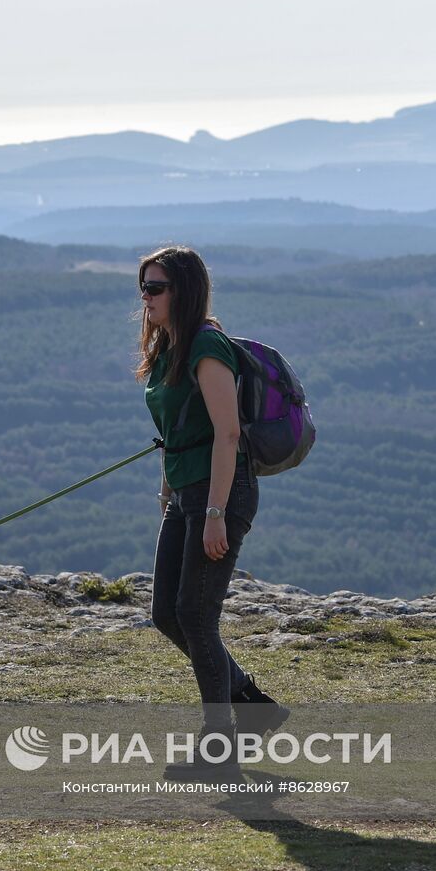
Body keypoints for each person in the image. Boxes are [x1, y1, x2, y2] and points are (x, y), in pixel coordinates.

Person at [136, 246, 287, 778]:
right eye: (143, 288)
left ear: (184, 290)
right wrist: (168, 489)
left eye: (156, 288)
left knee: (197, 616)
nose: (146, 298)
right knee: (167, 614)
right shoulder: (170, 346)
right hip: (185, 494)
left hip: (219, 494)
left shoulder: (205, 344)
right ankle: (250, 703)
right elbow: (178, 432)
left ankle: (219, 747)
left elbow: (227, 433)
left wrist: (217, 512)